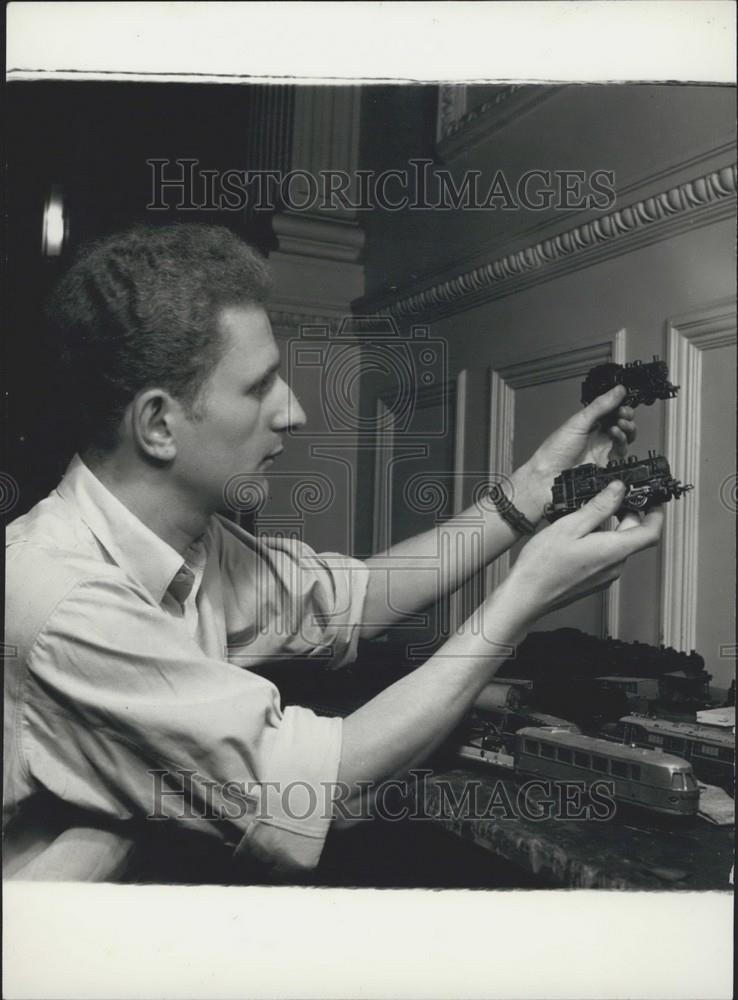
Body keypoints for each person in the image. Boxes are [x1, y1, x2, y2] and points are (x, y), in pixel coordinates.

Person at [4, 224, 661, 882]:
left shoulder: (185, 539)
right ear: (157, 425)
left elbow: (349, 601)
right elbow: (326, 791)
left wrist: (526, 494)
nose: (292, 413)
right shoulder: (67, 601)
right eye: (259, 388)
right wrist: (519, 602)